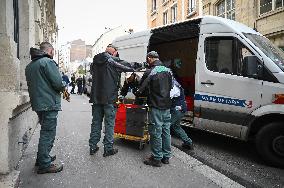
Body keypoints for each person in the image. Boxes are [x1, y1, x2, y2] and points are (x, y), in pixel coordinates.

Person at [89, 44, 135, 157]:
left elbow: (92, 74)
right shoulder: (112, 60)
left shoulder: (94, 61)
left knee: (96, 122)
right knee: (109, 124)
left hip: (96, 98)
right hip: (109, 98)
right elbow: (129, 66)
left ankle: (92, 146)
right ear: (114, 52)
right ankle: (108, 149)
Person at [25, 42, 65, 174]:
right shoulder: (47, 62)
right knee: (48, 133)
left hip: (38, 104)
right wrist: (64, 83)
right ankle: (45, 164)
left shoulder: (30, 65)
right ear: (50, 50)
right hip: (48, 103)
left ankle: (42, 158)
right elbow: (58, 83)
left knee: (45, 132)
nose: (53, 53)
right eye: (53, 51)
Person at [136, 51, 173, 167]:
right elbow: (171, 86)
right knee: (166, 131)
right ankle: (166, 156)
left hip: (156, 105)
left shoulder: (150, 72)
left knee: (156, 132)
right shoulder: (168, 71)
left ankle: (156, 158)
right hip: (167, 106)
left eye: (148, 59)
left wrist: (137, 93)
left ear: (150, 59)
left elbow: (140, 89)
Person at [170, 79, 193, 150]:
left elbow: (167, 98)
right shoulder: (176, 84)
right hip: (181, 109)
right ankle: (188, 142)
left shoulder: (173, 87)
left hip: (177, 110)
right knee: (176, 126)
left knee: (165, 126)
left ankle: (162, 146)